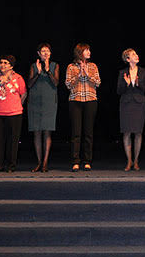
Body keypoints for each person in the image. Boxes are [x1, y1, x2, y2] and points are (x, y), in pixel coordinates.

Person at [65, 43, 101, 171]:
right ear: (80, 52)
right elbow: (68, 84)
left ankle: (87, 161)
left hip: (90, 100)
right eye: (86, 50)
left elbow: (98, 82)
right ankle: (75, 161)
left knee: (88, 133)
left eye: (89, 50)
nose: (89, 52)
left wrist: (87, 74)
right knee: (76, 133)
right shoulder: (71, 67)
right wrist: (79, 75)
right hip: (75, 101)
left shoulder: (93, 66)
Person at [0, 54, 26, 173]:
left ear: (11, 66)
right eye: (1, 62)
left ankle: (11, 165)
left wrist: (17, 105)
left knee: (12, 141)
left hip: (14, 113)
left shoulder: (18, 78)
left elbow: (23, 94)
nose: (2, 65)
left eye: (5, 63)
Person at [26, 43, 59, 173]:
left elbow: (56, 82)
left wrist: (48, 70)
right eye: (43, 51)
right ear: (39, 54)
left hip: (49, 101)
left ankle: (45, 162)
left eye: (47, 51)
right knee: (37, 132)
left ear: (50, 53)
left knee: (47, 131)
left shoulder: (55, 65)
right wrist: (38, 73)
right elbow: (29, 84)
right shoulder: (34, 66)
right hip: (35, 101)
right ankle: (39, 162)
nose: (45, 53)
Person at [117, 48, 145, 171]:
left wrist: (138, 84)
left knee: (138, 132)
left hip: (139, 104)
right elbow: (118, 91)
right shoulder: (122, 72)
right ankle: (129, 161)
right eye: (133, 54)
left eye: (136, 54)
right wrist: (126, 84)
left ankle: (136, 161)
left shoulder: (144, 72)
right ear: (127, 59)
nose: (136, 56)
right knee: (126, 132)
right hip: (126, 104)